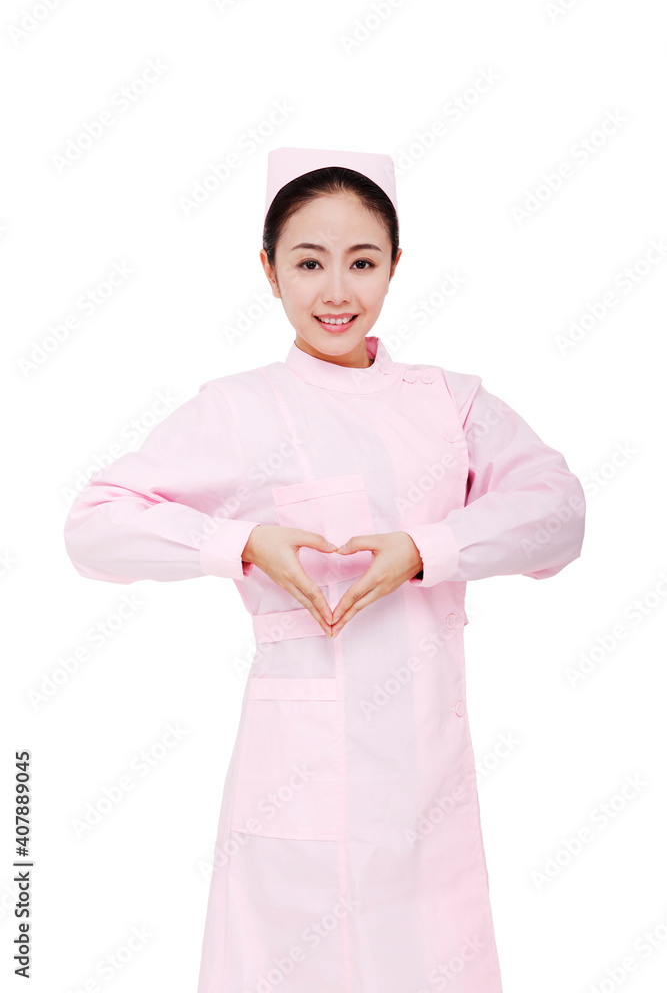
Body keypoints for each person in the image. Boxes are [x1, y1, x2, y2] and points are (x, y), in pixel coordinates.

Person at [63, 145, 586, 992]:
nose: (335, 291)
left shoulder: (449, 401)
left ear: (396, 266)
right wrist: (240, 543)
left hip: (429, 789)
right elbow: (93, 528)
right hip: (296, 785)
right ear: (267, 271)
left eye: (361, 261)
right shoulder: (241, 409)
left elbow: (558, 515)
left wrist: (426, 549)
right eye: (308, 262)